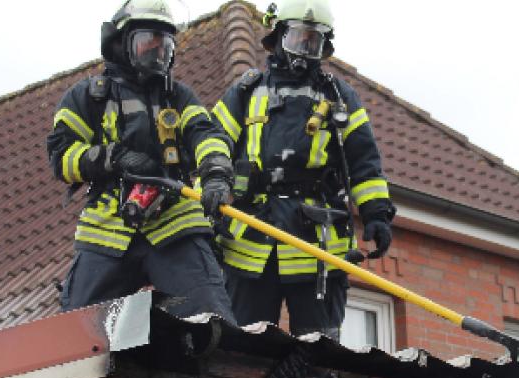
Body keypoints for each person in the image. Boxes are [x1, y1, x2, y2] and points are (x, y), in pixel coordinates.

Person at [211, 0, 395, 340]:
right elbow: (211, 148)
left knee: (317, 351)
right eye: (297, 38)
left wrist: (377, 214)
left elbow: (364, 161)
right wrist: (208, 204)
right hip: (253, 238)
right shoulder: (247, 91)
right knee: (242, 345)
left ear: (324, 47)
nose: (304, 49)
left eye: (313, 41)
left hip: (316, 241)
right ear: (279, 36)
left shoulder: (340, 97)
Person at [47, 0, 236, 323]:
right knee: (76, 329)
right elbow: (61, 157)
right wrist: (114, 158)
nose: (157, 52)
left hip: (174, 220)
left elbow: (207, 135)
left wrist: (216, 175)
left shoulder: (179, 97)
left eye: (165, 45)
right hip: (108, 227)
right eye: (148, 41)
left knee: (212, 315)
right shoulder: (89, 97)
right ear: (121, 43)